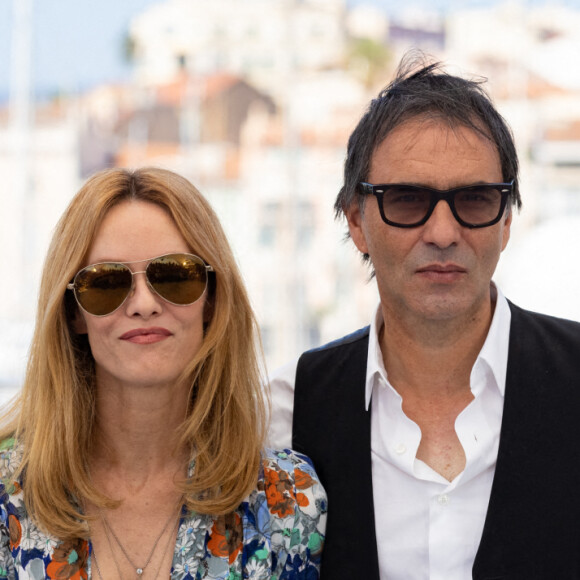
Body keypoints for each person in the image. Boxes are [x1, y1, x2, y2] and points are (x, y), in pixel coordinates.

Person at [268, 55, 580, 579]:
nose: (441, 232)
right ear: (357, 221)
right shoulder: (287, 414)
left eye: (475, 200)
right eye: (408, 200)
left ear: (506, 222)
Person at [0, 167, 326, 579]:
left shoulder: (290, 500)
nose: (143, 304)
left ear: (212, 298)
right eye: (106, 282)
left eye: (174, 275)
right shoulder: (6, 492)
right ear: (72, 313)